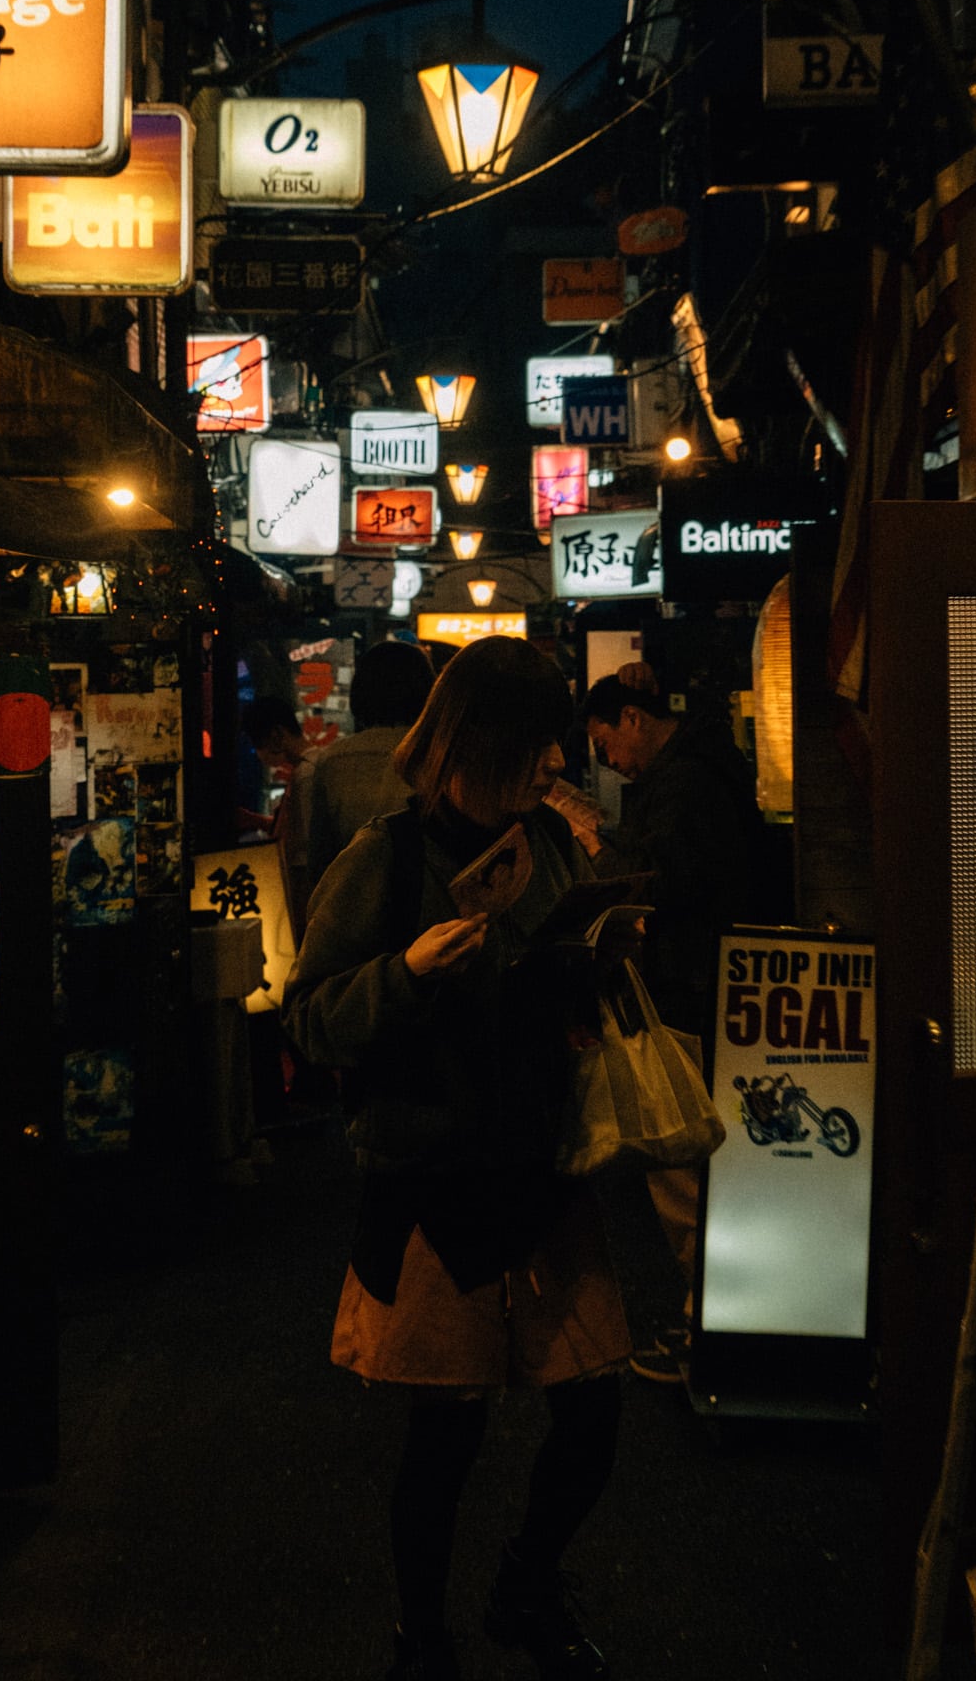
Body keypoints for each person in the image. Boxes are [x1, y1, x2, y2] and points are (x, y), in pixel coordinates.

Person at [284, 637, 629, 1681]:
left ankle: (525, 1582)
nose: (554, 763)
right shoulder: (381, 861)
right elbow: (308, 1018)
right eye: (536, 744)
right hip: (433, 1185)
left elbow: (567, 978)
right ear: (477, 745)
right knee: (448, 1433)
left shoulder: (551, 845)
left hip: (542, 1168)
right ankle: (421, 1636)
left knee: (595, 1404)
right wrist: (408, 968)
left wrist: (594, 968)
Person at [575, 665, 763, 1383]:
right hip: (710, 981)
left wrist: (595, 840)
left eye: (605, 743)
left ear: (631, 719)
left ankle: (705, 1330)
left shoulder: (682, 784)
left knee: (682, 1160)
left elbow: (663, 881)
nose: (609, 761)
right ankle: (712, 1321)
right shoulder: (704, 767)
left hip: (690, 987)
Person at [305, 639, 434, 889]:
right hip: (431, 909)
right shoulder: (441, 755)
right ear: (428, 691)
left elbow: (320, 860)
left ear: (361, 691)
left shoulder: (333, 761)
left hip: (354, 905)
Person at [241, 695, 320, 944]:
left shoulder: (306, 776)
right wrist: (258, 821)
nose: (259, 754)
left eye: (258, 744)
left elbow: (303, 854)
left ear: (276, 736)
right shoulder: (310, 768)